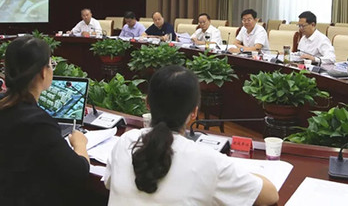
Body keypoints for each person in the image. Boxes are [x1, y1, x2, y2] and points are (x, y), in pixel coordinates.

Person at [104, 65, 279, 205]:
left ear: (147, 103)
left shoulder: (125, 142)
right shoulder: (209, 161)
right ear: (194, 113)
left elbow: (109, 183)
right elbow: (270, 196)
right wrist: (232, 170)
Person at [0, 36, 90, 206]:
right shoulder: (40, 123)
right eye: (51, 64)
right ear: (43, 72)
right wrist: (80, 144)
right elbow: (79, 171)